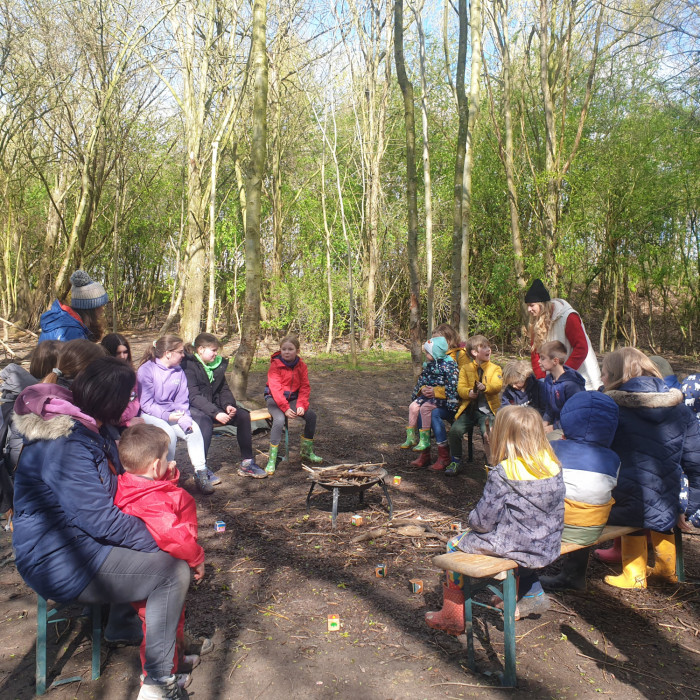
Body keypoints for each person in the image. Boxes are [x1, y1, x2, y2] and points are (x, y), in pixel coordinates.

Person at [12, 357, 190, 699]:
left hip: (84, 545)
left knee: (173, 548)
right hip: (58, 559)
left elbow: (121, 487)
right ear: (110, 401)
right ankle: (156, 683)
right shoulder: (66, 445)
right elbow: (100, 519)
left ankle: (167, 646)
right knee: (172, 571)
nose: (131, 404)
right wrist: (162, 541)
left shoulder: (91, 428)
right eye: (127, 398)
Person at [425, 406, 565, 632]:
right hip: (548, 542)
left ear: (504, 436)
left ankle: (453, 616)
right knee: (522, 541)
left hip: (519, 545)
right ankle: (532, 592)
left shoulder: (505, 471)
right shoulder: (552, 464)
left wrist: (471, 520)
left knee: (454, 544)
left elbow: (482, 521)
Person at [597, 347, 700, 589]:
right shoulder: (680, 408)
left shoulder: (610, 408)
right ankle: (667, 569)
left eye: (604, 374)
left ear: (615, 376)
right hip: (669, 500)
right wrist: (689, 505)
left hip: (623, 502)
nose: (601, 379)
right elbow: (695, 463)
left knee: (630, 496)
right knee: (658, 503)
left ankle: (634, 575)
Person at [115, 424, 205, 687]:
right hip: (154, 569)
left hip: (156, 564)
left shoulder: (134, 485)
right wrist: (196, 557)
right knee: (159, 624)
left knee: (172, 616)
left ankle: (175, 659)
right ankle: (156, 676)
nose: (168, 461)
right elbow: (172, 533)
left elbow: (158, 494)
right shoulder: (150, 500)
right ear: (155, 466)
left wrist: (167, 477)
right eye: (165, 458)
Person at [540, 391, 620, 591]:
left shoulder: (553, 448)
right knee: (585, 508)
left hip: (555, 527)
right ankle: (573, 576)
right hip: (593, 529)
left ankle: (526, 582)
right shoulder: (612, 458)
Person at [181, 333, 266, 479]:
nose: (216, 354)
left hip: (213, 407)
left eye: (216, 351)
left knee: (243, 415)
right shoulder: (189, 365)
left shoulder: (216, 365)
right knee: (205, 423)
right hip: (193, 408)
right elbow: (193, 396)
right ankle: (201, 469)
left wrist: (228, 405)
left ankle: (247, 463)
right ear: (201, 349)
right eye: (213, 350)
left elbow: (223, 389)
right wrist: (215, 413)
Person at [137, 335, 213, 496]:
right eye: (180, 352)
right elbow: (146, 404)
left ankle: (201, 474)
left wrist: (185, 418)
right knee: (168, 434)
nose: (183, 355)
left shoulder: (178, 371)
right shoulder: (146, 370)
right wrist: (167, 416)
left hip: (173, 413)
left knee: (194, 430)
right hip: (150, 414)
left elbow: (181, 400)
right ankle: (167, 477)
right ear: (168, 353)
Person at [525, 279, 602, 391]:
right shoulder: (536, 323)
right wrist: (541, 378)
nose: (529, 309)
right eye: (527, 305)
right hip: (553, 380)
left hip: (582, 379)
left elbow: (581, 348)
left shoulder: (568, 317)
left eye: (532, 305)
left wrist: (563, 374)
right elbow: (535, 353)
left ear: (542, 304)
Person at [445, 335, 503, 476]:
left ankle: (492, 463)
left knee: (487, 434)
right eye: (484, 347)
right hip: (469, 410)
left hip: (487, 412)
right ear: (474, 353)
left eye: (488, 346)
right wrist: (469, 393)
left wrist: (486, 387)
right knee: (454, 431)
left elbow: (497, 385)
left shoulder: (495, 368)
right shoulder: (465, 369)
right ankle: (456, 461)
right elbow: (460, 388)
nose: (488, 349)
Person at [399, 338, 459, 472]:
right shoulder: (430, 364)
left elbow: (453, 387)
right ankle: (417, 443)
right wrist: (421, 391)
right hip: (430, 399)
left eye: (428, 352)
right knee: (415, 407)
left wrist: (441, 395)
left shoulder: (450, 365)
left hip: (446, 402)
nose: (426, 355)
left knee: (429, 411)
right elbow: (422, 381)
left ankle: (443, 456)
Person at [264, 335, 322, 471]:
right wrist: (284, 408)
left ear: (297, 350)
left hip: (293, 398)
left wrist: (301, 404)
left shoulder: (301, 366)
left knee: (311, 416)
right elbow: (276, 389)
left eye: (290, 349)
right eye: (283, 349)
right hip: (274, 398)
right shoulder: (275, 365)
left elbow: (305, 387)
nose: (287, 352)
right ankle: (272, 458)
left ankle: (306, 452)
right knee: (279, 419)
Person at [38, 270, 109, 343]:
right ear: (90, 310)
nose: (102, 309)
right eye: (100, 306)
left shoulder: (66, 321)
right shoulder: (73, 332)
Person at [539, 340, 585, 433]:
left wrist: (554, 427)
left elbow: (577, 414)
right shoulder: (548, 380)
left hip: (570, 428)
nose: (538, 361)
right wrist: (544, 422)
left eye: (542, 358)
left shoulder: (572, 385)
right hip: (556, 423)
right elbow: (549, 407)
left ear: (555, 360)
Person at [102, 333, 142, 429]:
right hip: (110, 425)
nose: (123, 357)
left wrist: (129, 418)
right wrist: (125, 422)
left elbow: (134, 399)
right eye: (118, 353)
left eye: (125, 352)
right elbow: (105, 411)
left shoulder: (132, 374)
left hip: (131, 418)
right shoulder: (103, 377)